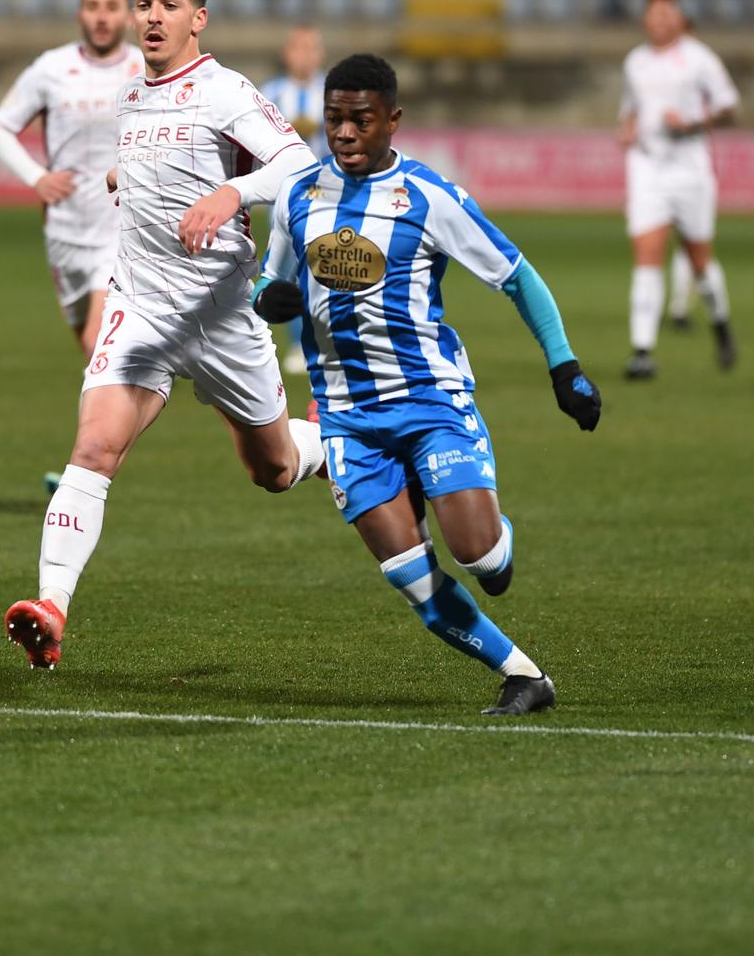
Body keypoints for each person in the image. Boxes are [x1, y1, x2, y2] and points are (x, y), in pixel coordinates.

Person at [4, 0, 325, 670]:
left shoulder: (226, 90)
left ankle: (326, 447)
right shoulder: (131, 92)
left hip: (218, 314)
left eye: (169, 4)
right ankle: (50, 608)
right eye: (143, 2)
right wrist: (132, 173)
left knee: (272, 469)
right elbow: (158, 151)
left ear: (198, 17)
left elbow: (300, 165)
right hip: (140, 307)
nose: (152, 16)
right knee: (93, 448)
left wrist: (230, 192)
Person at [252, 54, 603, 716]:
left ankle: (493, 540)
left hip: (429, 399)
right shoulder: (298, 196)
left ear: (393, 120)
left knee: (479, 555)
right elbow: (266, 282)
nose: (345, 132)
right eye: (334, 119)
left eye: (361, 119)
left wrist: (564, 366)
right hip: (348, 416)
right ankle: (523, 675)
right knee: (409, 574)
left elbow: (517, 276)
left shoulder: (428, 197)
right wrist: (265, 296)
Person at [0, 0, 144, 358]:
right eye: (93, 7)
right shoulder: (51, 68)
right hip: (64, 231)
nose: (101, 17)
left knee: (99, 342)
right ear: (80, 15)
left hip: (121, 228)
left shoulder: (145, 68)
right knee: (92, 353)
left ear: (127, 17)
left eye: (111, 7)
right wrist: (36, 178)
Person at [618, 0, 738, 380]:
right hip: (647, 168)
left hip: (690, 171)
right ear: (645, 20)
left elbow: (729, 107)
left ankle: (720, 323)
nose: (661, 20)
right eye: (654, 13)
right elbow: (630, 109)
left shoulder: (700, 59)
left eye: (668, 13)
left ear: (680, 19)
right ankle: (642, 352)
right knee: (646, 257)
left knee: (700, 261)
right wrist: (628, 128)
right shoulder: (634, 62)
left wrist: (693, 125)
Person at [260, 25, 329, 375]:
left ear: (320, 54)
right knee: (283, 271)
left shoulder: (333, 93)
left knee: (324, 271)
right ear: (287, 53)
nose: (304, 55)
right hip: (284, 197)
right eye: (298, 48)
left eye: (310, 48)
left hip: (328, 197)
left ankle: (325, 342)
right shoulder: (269, 94)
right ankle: (296, 344)